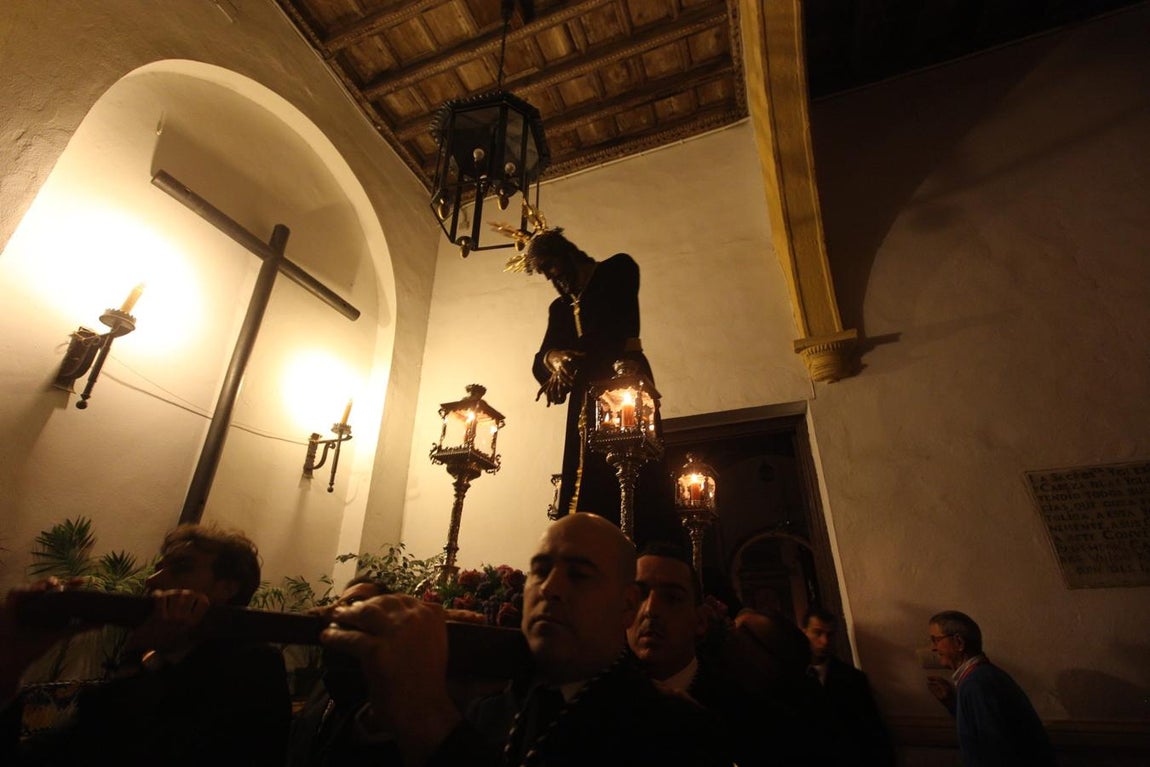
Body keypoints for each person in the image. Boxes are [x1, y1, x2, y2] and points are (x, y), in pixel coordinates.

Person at [321, 512, 730, 766]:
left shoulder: (675, 729)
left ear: (626, 606)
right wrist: (385, 710)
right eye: (540, 569)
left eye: (579, 574)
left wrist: (429, 716)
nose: (550, 588)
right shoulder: (488, 707)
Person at [1, 523, 291, 766]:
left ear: (227, 588)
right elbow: (56, 753)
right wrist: (14, 660)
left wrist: (134, 657)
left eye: (180, 568)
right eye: (158, 567)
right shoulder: (155, 658)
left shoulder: (254, 665)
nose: (153, 580)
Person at [507, 222, 676, 542]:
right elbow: (543, 354)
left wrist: (571, 360)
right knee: (585, 472)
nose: (549, 276)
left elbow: (611, 329)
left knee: (635, 467)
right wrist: (554, 360)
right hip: (585, 394)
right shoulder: (559, 308)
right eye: (542, 272)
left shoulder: (617, 269)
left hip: (622, 378)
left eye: (550, 266)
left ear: (567, 253)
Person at [287, 574, 399, 767]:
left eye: (354, 603)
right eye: (338, 603)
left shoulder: (383, 693)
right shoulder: (326, 682)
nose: (335, 611)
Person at [926, 610, 1056, 767]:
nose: (933, 647)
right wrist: (952, 702)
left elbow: (994, 749)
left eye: (936, 640)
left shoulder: (977, 683)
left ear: (959, 642)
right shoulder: (983, 676)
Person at [802, 607, 894, 766]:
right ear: (804, 633)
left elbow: (872, 730)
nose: (824, 641)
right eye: (817, 633)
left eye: (830, 635)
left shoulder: (853, 679)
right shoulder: (791, 677)